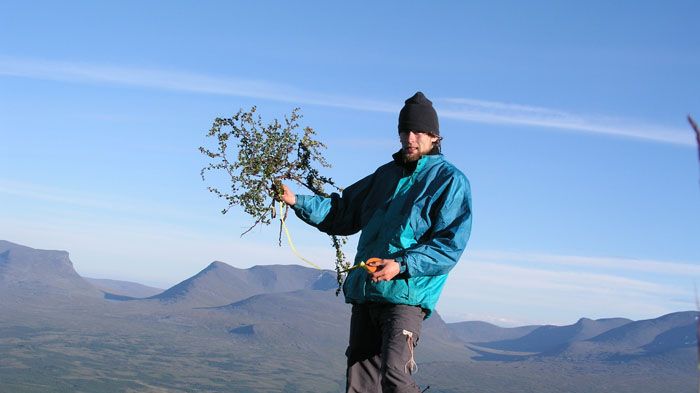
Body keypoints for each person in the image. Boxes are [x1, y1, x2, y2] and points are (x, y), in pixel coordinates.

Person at [280, 91, 472, 393]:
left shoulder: (449, 180)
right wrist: (296, 201)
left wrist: (401, 264)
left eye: (419, 131)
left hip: (406, 296)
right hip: (368, 291)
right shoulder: (384, 175)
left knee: (394, 372)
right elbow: (343, 212)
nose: (410, 137)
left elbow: (449, 245)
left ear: (434, 136)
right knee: (359, 379)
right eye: (404, 131)